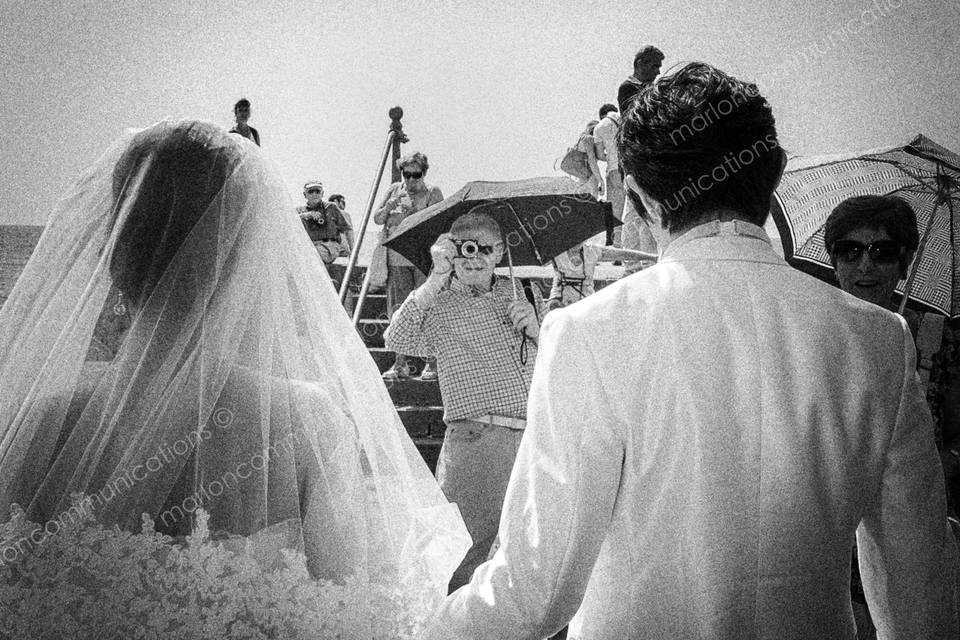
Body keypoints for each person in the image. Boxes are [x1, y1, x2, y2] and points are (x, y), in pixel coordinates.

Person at [424, 63, 957, 639]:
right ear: (771, 178)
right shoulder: (880, 339)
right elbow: (919, 592)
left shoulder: (587, 332)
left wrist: (426, 627)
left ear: (639, 198)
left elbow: (535, 592)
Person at [0, 120, 468, 631]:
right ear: (250, 263)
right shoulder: (307, 423)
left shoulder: (40, 424)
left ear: (114, 261)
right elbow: (349, 619)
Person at [384, 208, 543, 593]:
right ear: (449, 251)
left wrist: (540, 331)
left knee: (529, 555)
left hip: (531, 440)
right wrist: (437, 277)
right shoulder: (437, 302)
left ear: (500, 252)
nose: (473, 256)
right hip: (476, 438)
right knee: (464, 555)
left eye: (484, 249)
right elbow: (396, 340)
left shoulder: (522, 292)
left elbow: (552, 363)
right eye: (463, 248)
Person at [824, 194, 960, 639]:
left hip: (908, 518)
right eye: (850, 250)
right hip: (832, 520)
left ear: (905, 263)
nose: (865, 266)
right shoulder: (817, 330)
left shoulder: (935, 336)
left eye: (882, 252)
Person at [373, 152, 444, 380]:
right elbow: (377, 218)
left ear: (424, 173)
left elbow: (438, 223)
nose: (411, 180)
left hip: (422, 259)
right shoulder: (394, 190)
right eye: (407, 174)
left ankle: (431, 364)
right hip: (397, 258)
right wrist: (389, 208)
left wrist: (411, 214)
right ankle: (400, 363)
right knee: (398, 311)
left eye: (416, 175)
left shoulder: (433, 192)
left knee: (426, 309)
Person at [545, 242, 654, 311]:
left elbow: (623, 254)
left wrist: (652, 257)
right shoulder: (555, 251)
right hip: (560, 302)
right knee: (554, 308)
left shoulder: (592, 250)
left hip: (586, 299)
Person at [296, 180, 354, 284]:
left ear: (322, 193)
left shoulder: (331, 207)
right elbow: (286, 221)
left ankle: (323, 282)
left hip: (329, 245)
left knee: (312, 255)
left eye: (317, 191)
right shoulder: (299, 211)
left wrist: (353, 251)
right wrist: (305, 216)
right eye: (311, 191)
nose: (314, 194)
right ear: (305, 195)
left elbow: (347, 229)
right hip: (310, 245)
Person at [616, 45, 664, 114]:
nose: (658, 72)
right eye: (654, 66)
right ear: (640, 65)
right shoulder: (627, 88)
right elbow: (637, 116)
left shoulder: (652, 88)